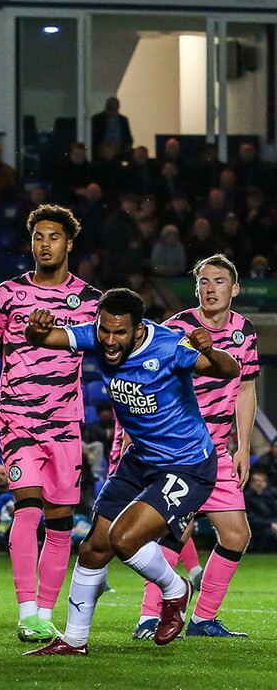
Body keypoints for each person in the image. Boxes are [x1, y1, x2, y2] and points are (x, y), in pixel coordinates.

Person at [23, 288, 239, 655]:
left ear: (138, 330)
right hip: (140, 459)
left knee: (124, 540)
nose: (109, 340)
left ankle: (175, 590)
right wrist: (35, 327)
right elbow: (45, 338)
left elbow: (229, 369)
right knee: (93, 548)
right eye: (104, 330)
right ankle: (75, 641)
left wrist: (210, 350)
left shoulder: (170, 347)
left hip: (187, 465)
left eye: (119, 333)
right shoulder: (96, 333)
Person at [0, 205, 100, 642]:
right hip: (19, 416)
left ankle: (44, 612)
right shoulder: (7, 294)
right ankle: (26, 610)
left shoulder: (91, 301)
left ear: (69, 243)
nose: (45, 244)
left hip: (66, 421)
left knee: (61, 520)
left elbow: (110, 353)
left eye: (54, 237)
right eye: (38, 236)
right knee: (27, 506)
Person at [132, 254, 258, 639]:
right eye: (203, 281)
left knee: (237, 534)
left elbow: (246, 389)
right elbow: (148, 379)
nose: (210, 288)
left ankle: (203, 619)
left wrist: (243, 447)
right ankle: (149, 618)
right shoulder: (177, 328)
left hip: (219, 451)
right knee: (175, 533)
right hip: (180, 451)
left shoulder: (245, 332)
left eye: (219, 281)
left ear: (234, 289)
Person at [244, 471, 277, 553]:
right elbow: (251, 518)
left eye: (262, 480)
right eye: (257, 481)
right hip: (256, 528)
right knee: (269, 534)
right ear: (251, 483)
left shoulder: (269, 497)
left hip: (270, 525)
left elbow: (274, 513)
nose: (260, 483)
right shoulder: (246, 497)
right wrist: (270, 524)